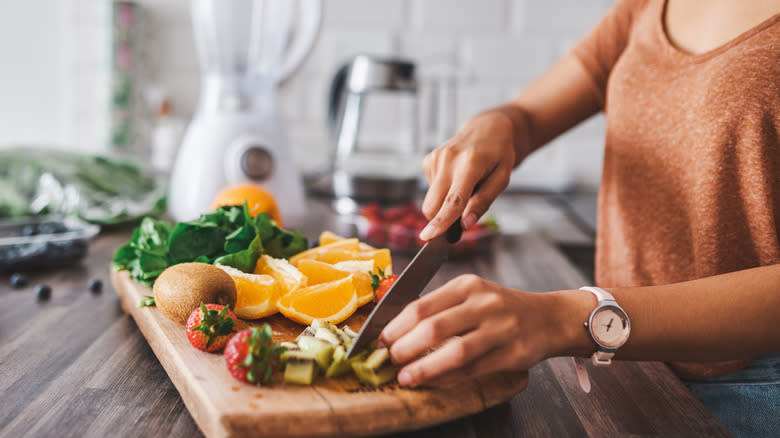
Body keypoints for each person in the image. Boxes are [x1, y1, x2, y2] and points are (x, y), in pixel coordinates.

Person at [377, 0, 780, 436]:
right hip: (622, 368)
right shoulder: (649, 6)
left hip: (746, 392)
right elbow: (527, 118)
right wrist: (495, 124)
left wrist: (565, 318)